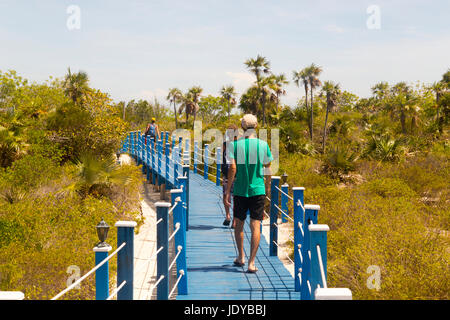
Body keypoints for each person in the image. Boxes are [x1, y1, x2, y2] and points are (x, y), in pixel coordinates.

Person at [224, 114, 273, 273]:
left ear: (242, 127)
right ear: (256, 126)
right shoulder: (263, 144)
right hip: (258, 190)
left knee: (239, 223)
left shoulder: (235, 145)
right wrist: (267, 187)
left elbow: (232, 169)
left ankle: (241, 257)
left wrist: (227, 191)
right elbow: (268, 166)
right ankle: (252, 263)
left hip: (240, 190)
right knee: (256, 225)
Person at [221, 124, 239, 228]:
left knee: (225, 195)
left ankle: (228, 216)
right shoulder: (239, 144)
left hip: (228, 173)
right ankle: (234, 220)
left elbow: (222, 157)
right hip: (236, 174)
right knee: (236, 197)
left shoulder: (225, 144)